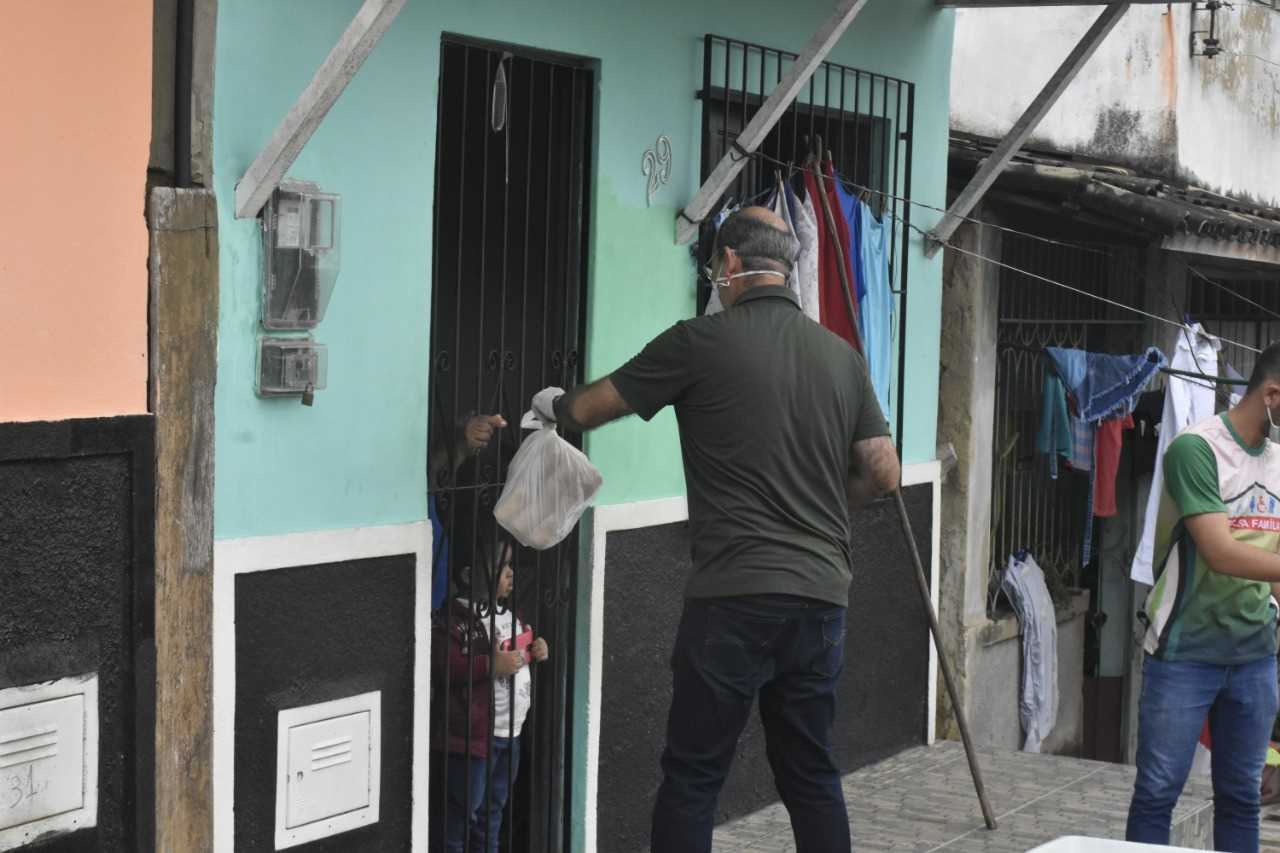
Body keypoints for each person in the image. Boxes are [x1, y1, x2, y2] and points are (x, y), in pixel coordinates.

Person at [529, 207, 900, 853]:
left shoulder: (698, 341)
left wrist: (550, 406)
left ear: (728, 264)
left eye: (714, 269)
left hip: (734, 594)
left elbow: (595, 407)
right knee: (811, 773)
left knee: (695, 775)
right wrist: (827, 507)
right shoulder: (840, 355)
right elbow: (884, 470)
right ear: (788, 266)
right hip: (820, 596)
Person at [1126, 343, 1280, 852]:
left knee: (1240, 797)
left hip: (1255, 656)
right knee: (1157, 794)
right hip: (1184, 654)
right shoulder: (1196, 449)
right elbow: (1221, 551)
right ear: (1273, 395)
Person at [431, 464, 549, 853]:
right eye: (501, 566)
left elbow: (518, 650)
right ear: (469, 574)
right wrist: (489, 666)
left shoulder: (507, 615)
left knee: (493, 812)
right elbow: (445, 666)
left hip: (509, 733)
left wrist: (536, 650)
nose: (510, 573)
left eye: (512, 565)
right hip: (474, 739)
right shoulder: (458, 619)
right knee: (463, 813)